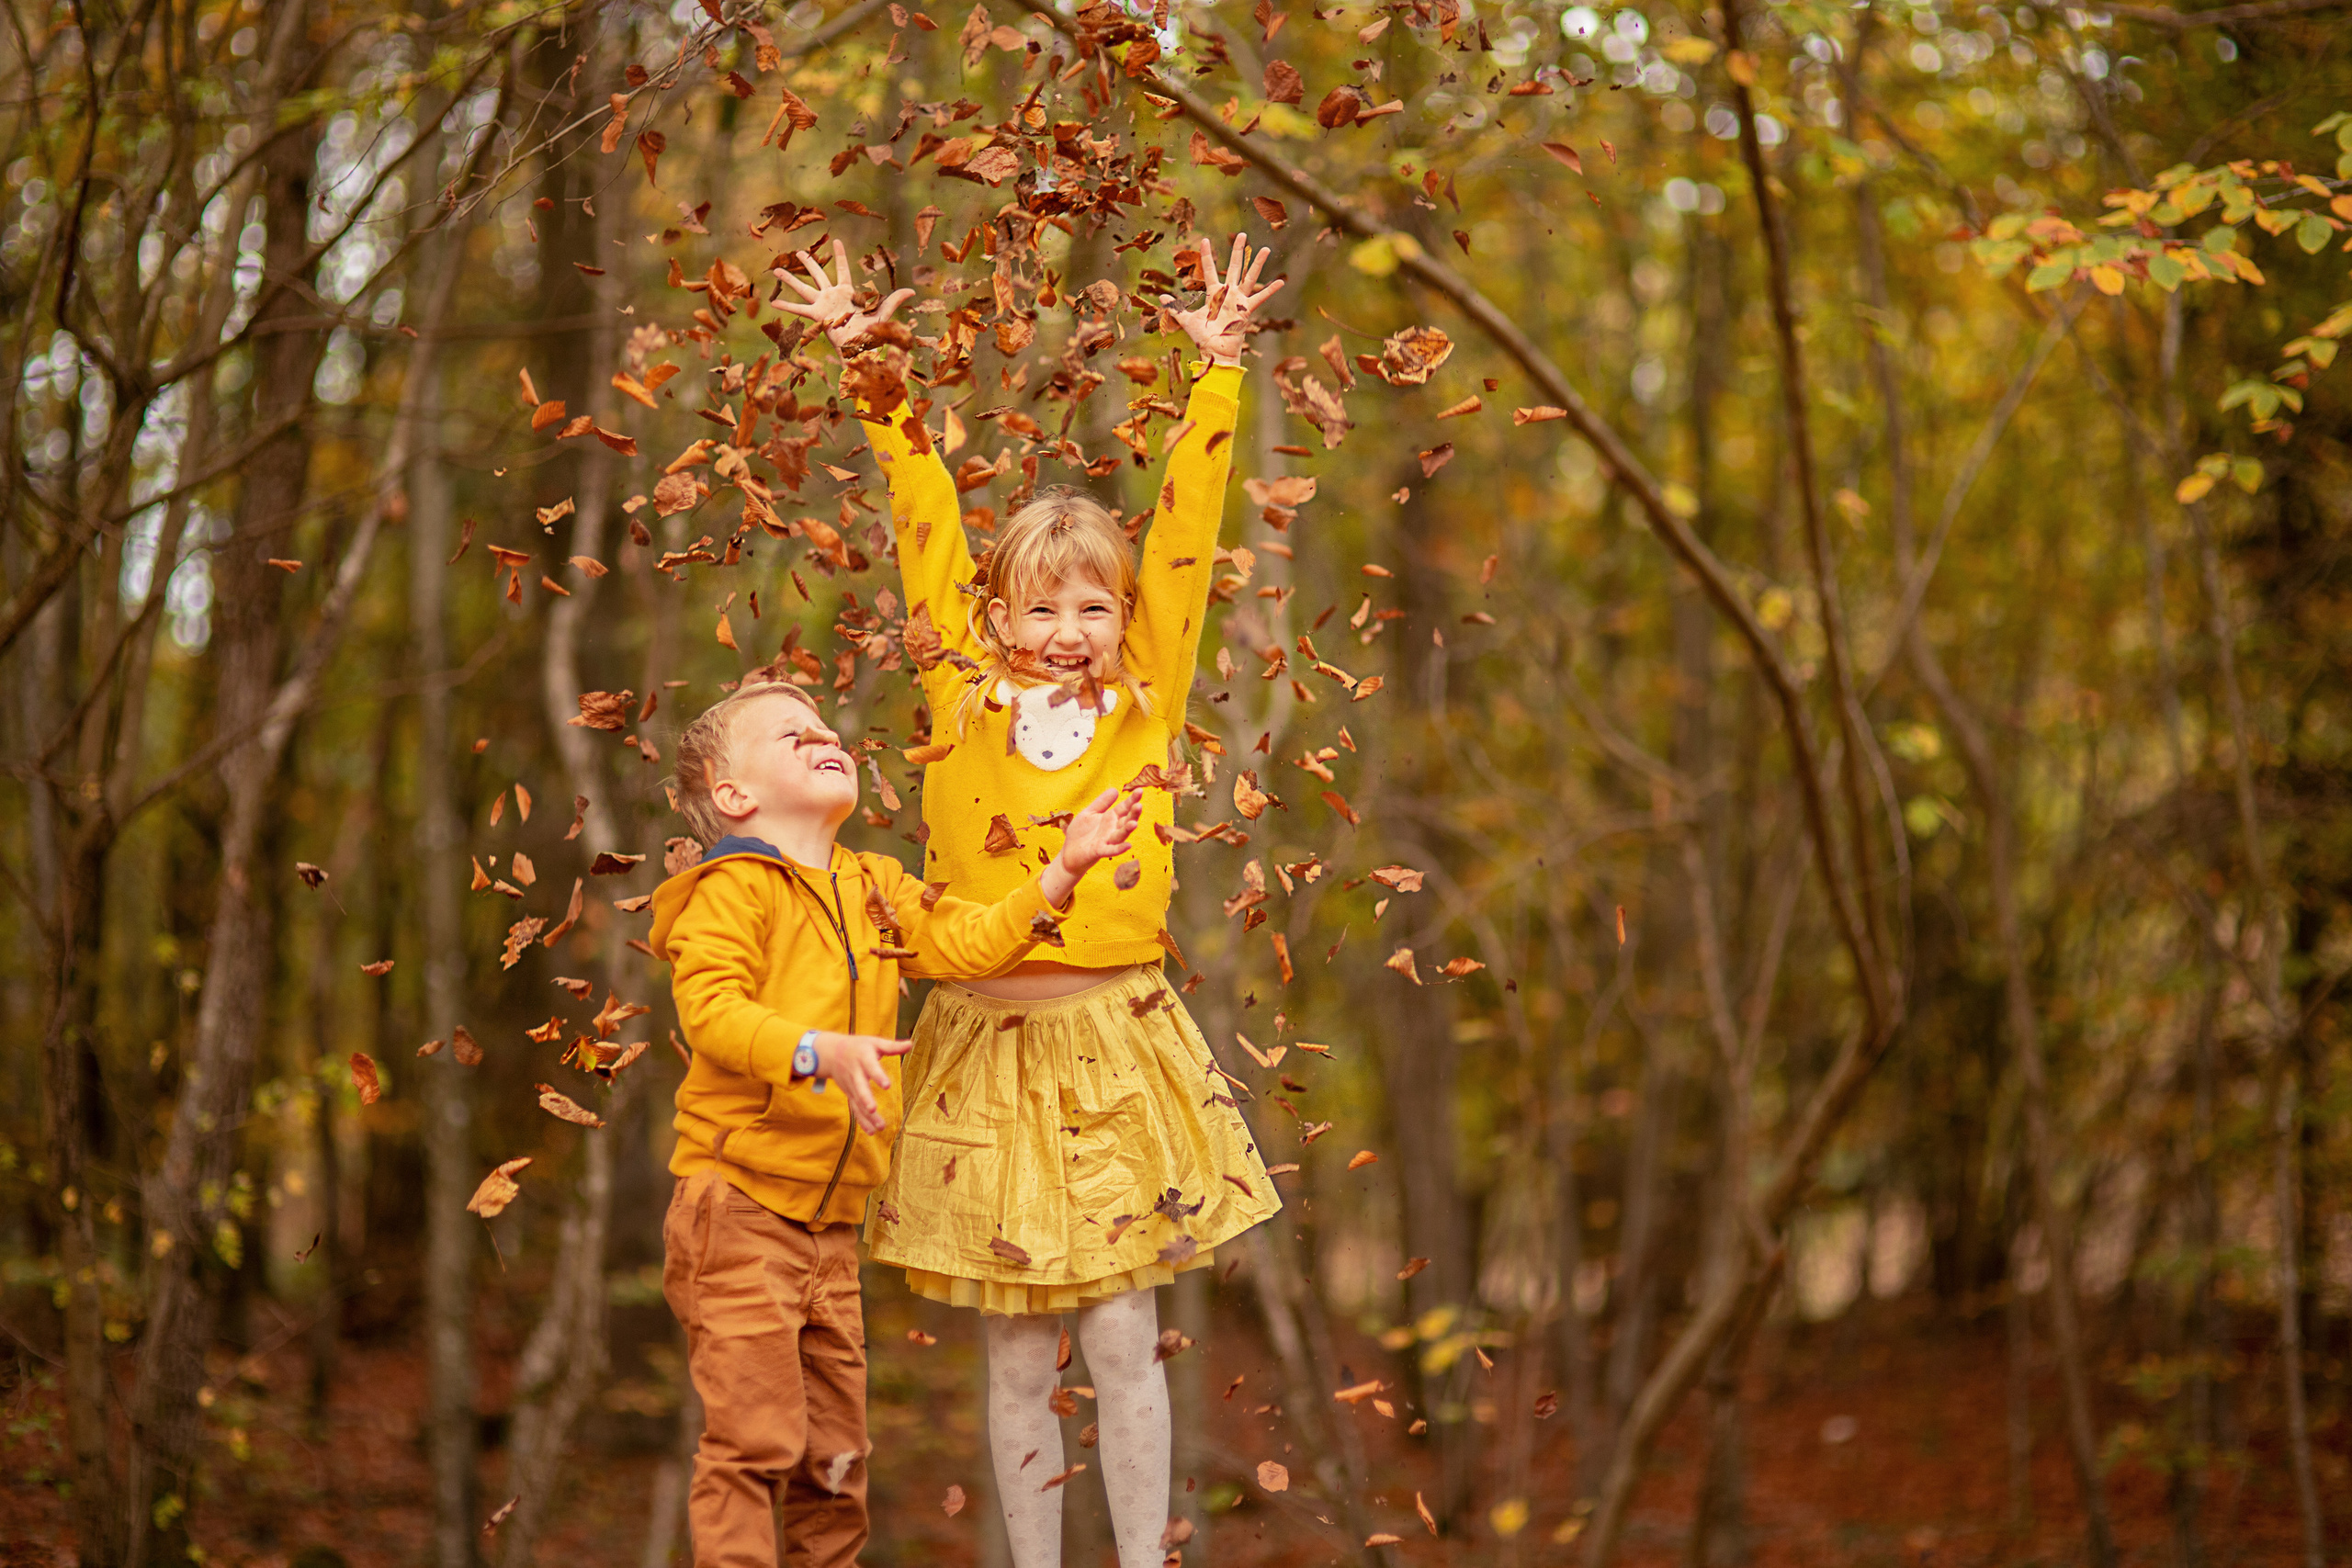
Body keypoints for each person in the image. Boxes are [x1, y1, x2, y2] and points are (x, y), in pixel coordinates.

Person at [777, 232, 1287, 1567]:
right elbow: (923, 519)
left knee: (1121, 1334)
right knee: (1013, 1346)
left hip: (1113, 1038)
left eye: (1091, 605)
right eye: (1040, 605)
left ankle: (1143, 1560)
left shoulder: (1145, 701)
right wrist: (869, 365)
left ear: (1123, 616)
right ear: (997, 613)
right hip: (983, 1047)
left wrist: (1217, 371)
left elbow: (1186, 535)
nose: (1067, 628)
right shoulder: (961, 693)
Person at [650, 677, 1143, 1568]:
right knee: (754, 1443)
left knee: (836, 1469)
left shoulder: (872, 885)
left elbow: (966, 941)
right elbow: (712, 1016)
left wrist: (1061, 873)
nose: (821, 737)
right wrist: (814, 1049)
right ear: (734, 796)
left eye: (824, 727)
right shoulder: (729, 893)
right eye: (790, 736)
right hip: (739, 1210)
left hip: (833, 1232)